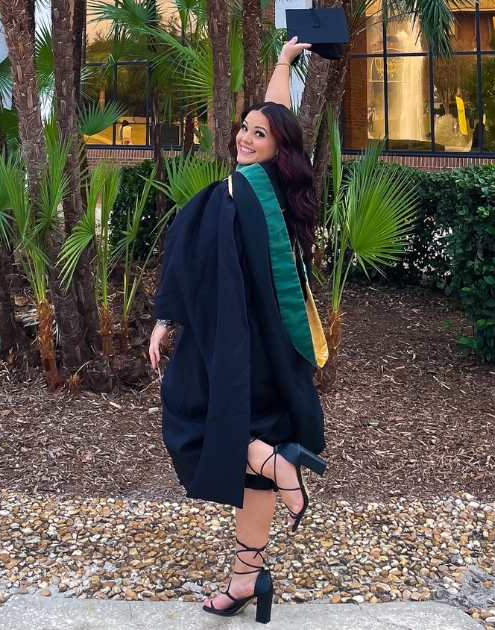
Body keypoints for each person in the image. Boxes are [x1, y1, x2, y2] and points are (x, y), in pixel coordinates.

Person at [149, 37, 328, 624]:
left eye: (257, 134)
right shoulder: (277, 189)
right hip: (278, 350)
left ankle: (280, 464)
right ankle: (246, 579)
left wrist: (167, 317)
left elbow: (194, 264)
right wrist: (283, 63)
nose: (245, 138)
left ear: (276, 148)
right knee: (254, 461)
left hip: (231, 344)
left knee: (189, 412)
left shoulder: (233, 191)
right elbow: (280, 115)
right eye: (243, 129)